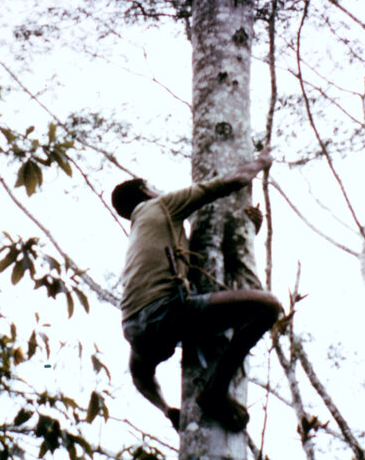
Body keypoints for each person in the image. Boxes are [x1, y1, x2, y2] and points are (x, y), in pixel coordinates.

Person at [111, 150, 283, 432]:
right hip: (167, 313)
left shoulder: (145, 231)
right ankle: (215, 392)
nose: (159, 190)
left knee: (140, 372)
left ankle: (168, 411)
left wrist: (167, 410)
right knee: (268, 307)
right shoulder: (161, 207)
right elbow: (232, 180)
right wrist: (262, 162)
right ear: (145, 189)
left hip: (134, 327)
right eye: (153, 187)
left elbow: (205, 261)